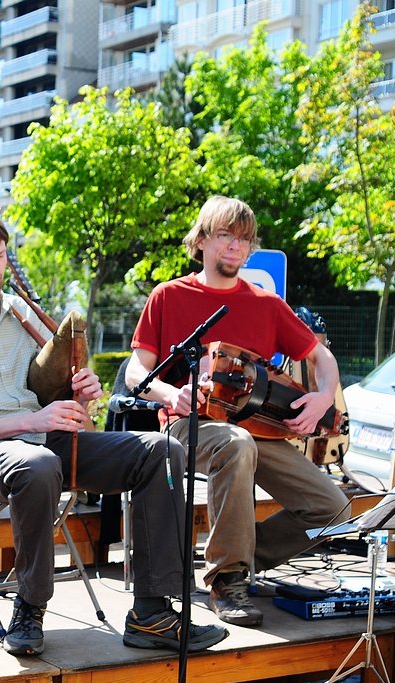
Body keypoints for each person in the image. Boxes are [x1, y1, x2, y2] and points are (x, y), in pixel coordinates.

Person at [0, 204, 227, 657]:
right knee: (36, 465)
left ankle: (152, 613)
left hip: (45, 441)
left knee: (161, 451)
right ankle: (30, 604)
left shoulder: (25, 314)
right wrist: (31, 422)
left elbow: (56, 393)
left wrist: (82, 391)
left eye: (0, 254)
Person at [126, 196, 350, 627]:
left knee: (334, 510)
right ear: (203, 239)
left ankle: (240, 558)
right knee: (236, 444)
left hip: (255, 431)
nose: (235, 247)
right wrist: (168, 396)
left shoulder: (266, 303)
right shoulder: (169, 295)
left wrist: (324, 396)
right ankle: (228, 581)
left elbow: (321, 358)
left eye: (244, 239)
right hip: (188, 425)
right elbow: (137, 370)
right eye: (226, 235)